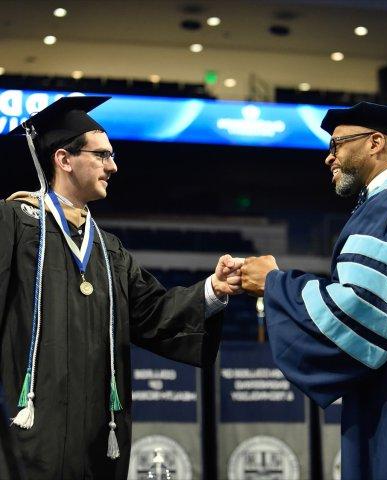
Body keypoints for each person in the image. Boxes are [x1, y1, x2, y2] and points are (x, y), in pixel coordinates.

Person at [0, 96, 243, 479]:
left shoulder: (109, 249)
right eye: (102, 155)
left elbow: (155, 314)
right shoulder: (15, 224)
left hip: (97, 436)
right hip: (24, 431)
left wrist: (213, 289)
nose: (113, 166)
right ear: (64, 159)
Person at [240, 102, 387, 480]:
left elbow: (357, 318)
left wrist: (273, 283)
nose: (328, 157)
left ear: (375, 142)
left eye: (336, 144)